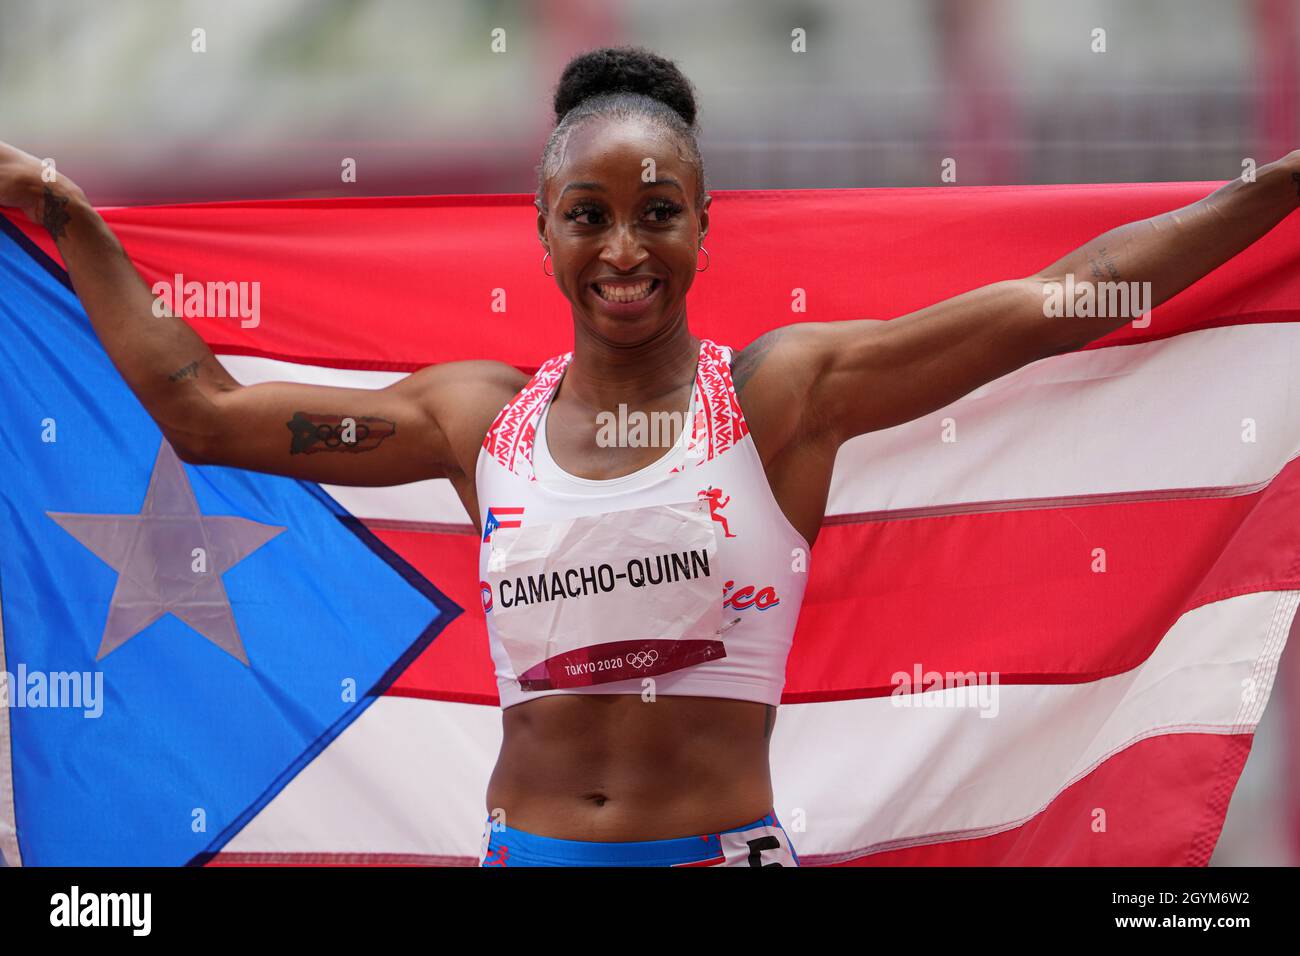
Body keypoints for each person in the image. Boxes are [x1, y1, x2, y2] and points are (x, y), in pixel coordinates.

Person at [1, 45, 1296, 867]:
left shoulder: (786, 398)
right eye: (592, 216)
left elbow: (1062, 298)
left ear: (703, 225)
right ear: (546, 230)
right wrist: (67, 216)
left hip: (721, 852)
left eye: (657, 213)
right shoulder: (474, 423)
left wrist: (1275, 192)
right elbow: (208, 416)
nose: (625, 248)